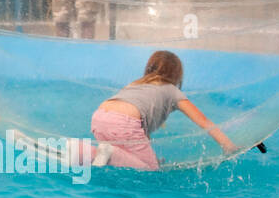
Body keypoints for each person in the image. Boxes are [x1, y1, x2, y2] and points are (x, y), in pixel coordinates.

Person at [90, 50, 235, 169]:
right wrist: (228, 145)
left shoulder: (135, 84)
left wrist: (150, 156)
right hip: (124, 122)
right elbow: (203, 121)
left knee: (121, 156)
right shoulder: (172, 91)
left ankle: (87, 152)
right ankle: (108, 152)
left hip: (99, 117)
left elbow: (140, 129)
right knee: (150, 169)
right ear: (177, 75)